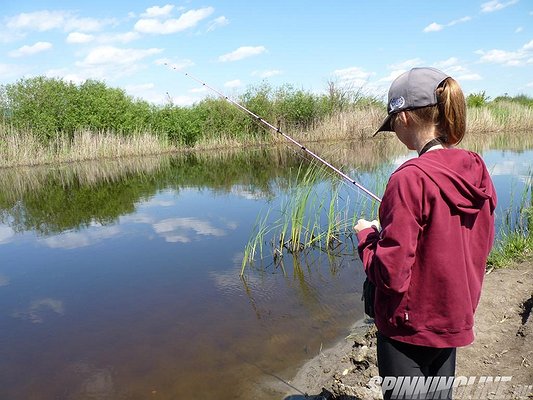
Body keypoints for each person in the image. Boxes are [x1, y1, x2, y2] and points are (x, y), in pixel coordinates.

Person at [354, 67, 497, 400]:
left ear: (403, 118)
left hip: (409, 328)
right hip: (455, 316)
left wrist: (367, 237)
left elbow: (390, 275)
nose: (395, 134)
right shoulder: (476, 169)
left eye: (392, 126)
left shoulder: (408, 178)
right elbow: (477, 242)